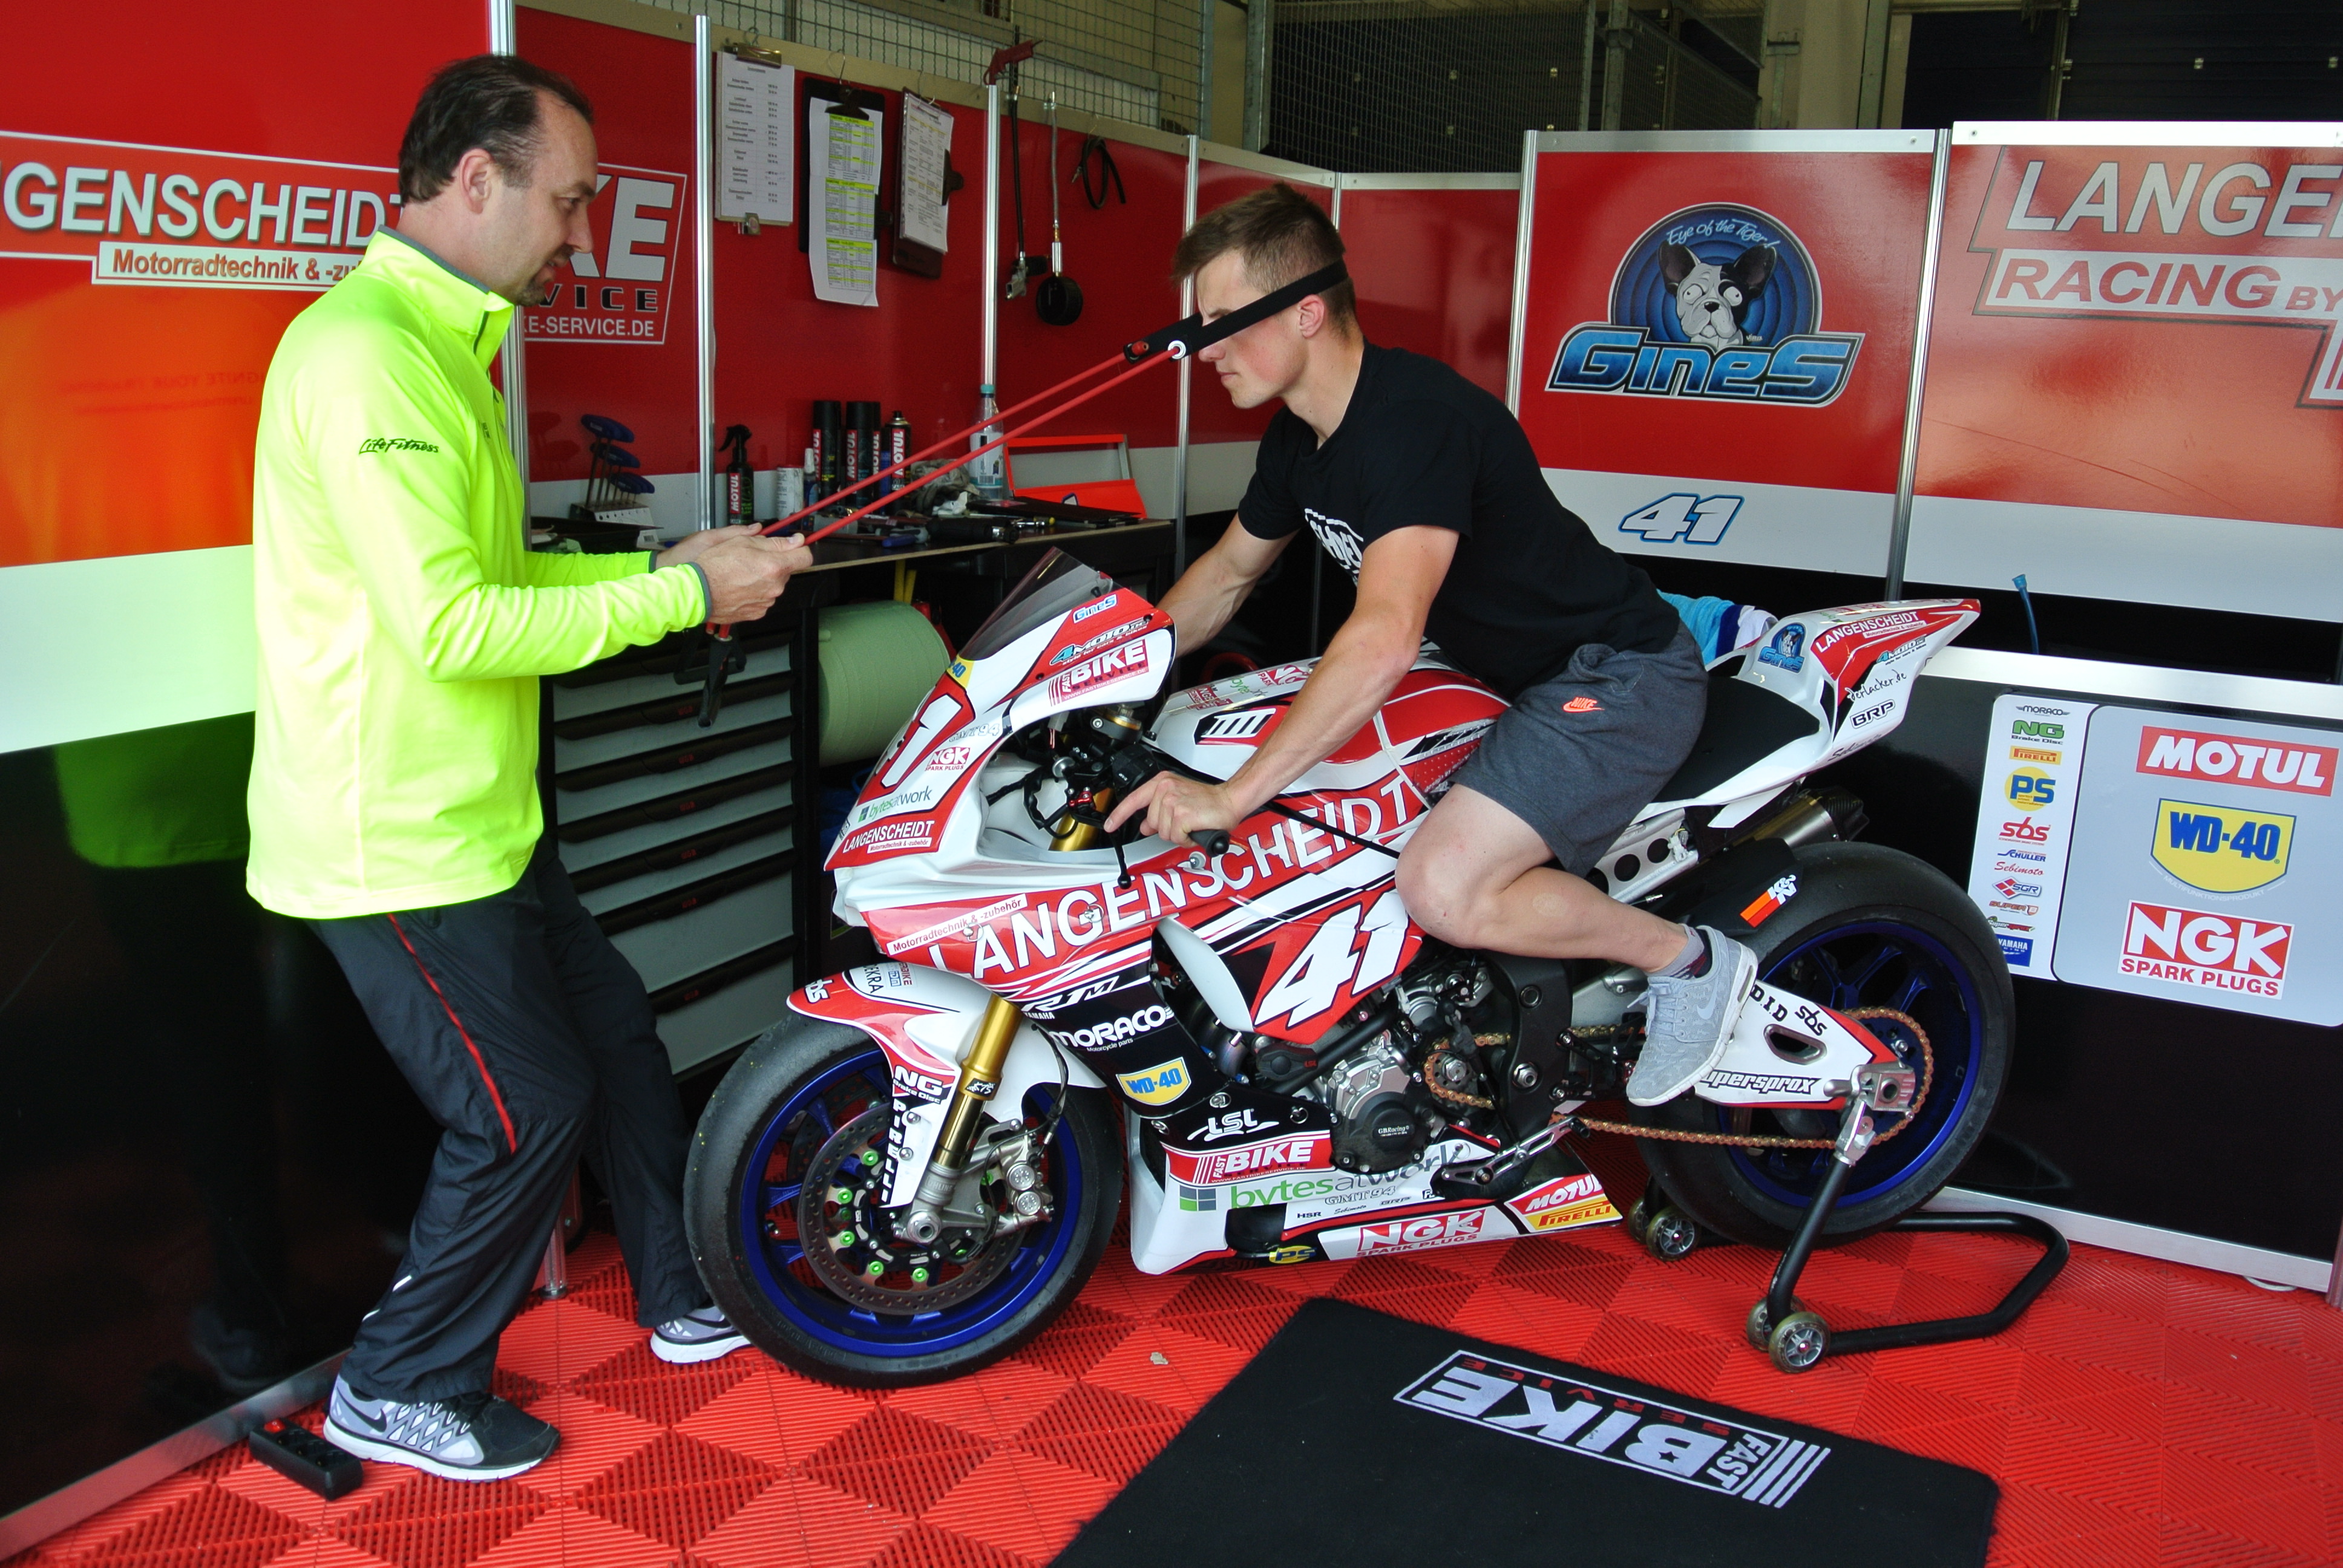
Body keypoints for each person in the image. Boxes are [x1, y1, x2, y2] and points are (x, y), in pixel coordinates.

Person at [246, 56, 810, 1481]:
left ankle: (686, 1298)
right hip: (394, 841)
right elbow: (451, 626)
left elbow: (482, 580)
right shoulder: (367, 353)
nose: (574, 234)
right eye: (562, 202)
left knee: (617, 1033)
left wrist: (663, 563)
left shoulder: (447, 346)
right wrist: (684, 599)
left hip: (484, 822)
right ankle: (400, 1381)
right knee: (525, 1108)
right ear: (477, 176)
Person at [1106, 185, 1754, 1106]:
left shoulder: (1413, 421)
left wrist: (1236, 796)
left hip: (1612, 675)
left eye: (1221, 322)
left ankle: (1691, 964)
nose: (1203, 350)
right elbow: (1225, 577)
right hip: (1496, 675)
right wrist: (1095, 678)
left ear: (1306, 312)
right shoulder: (1300, 437)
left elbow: (1384, 635)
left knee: (1443, 888)